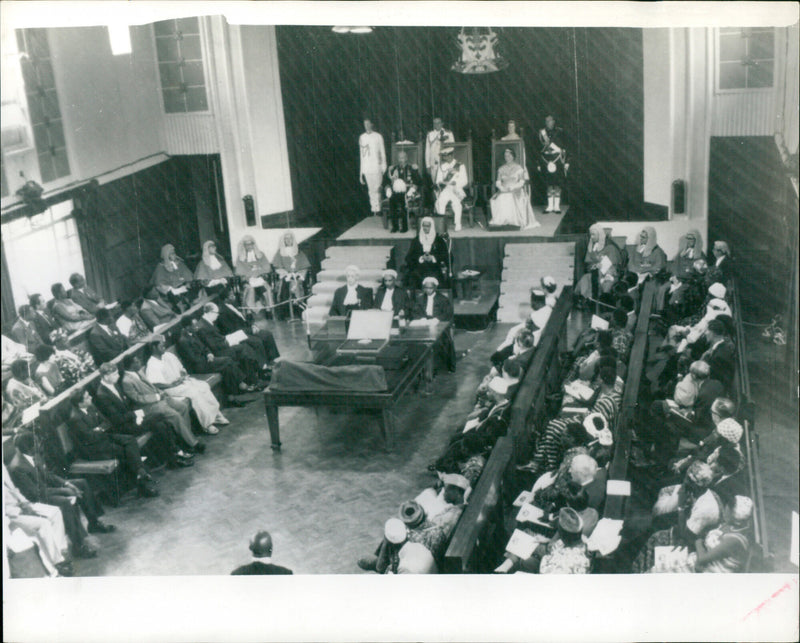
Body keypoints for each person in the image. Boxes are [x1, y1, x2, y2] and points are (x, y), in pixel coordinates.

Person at [8, 432, 108, 558]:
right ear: (30, 447)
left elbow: (48, 475)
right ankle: (79, 546)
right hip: (37, 499)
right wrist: (63, 491)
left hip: (47, 490)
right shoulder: (18, 467)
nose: (39, 445)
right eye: (37, 443)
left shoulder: (34, 456)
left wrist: (66, 484)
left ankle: (94, 522)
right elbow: (35, 494)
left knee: (81, 483)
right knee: (64, 502)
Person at [93, 362, 195, 468]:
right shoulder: (102, 395)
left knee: (161, 423)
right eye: (114, 374)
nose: (118, 376)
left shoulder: (114, 384)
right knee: (160, 420)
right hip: (124, 427)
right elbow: (117, 419)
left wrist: (137, 414)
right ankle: (176, 455)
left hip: (133, 419)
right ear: (105, 376)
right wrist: (136, 414)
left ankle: (174, 456)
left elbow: (127, 404)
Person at [66, 389, 159, 498]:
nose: (90, 397)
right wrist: (101, 429)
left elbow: (107, 422)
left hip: (104, 438)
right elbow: (90, 437)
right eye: (87, 397)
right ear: (80, 403)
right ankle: (143, 482)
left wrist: (98, 429)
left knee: (130, 440)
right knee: (125, 451)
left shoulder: (91, 407)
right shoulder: (75, 418)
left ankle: (141, 475)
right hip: (94, 448)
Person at [119, 353, 204, 455]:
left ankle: (185, 439)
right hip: (148, 407)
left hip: (160, 398)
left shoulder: (138, 372)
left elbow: (151, 386)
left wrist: (160, 392)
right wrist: (156, 397)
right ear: (131, 365)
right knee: (174, 415)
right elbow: (137, 399)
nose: (140, 362)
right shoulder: (126, 381)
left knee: (183, 407)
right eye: (137, 361)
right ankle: (193, 443)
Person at [144, 335, 228, 436]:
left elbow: (181, 368)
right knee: (195, 393)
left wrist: (183, 374)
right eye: (161, 345)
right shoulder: (152, 364)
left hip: (182, 382)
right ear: (154, 347)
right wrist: (171, 384)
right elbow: (155, 383)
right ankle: (207, 424)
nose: (164, 346)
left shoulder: (168, 355)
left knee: (203, 386)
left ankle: (215, 416)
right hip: (171, 389)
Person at [4, 464, 72, 576]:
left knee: (55, 512)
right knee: (43, 524)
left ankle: (60, 550)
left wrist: (25, 503)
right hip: (11, 515)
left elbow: (12, 488)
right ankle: (58, 561)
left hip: (19, 505)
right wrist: (19, 511)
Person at [175, 317, 256, 396]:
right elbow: (194, 359)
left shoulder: (193, 333)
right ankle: (243, 384)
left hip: (206, 360)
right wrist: (207, 358)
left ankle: (234, 394)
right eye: (194, 325)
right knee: (228, 360)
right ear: (187, 327)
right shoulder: (183, 341)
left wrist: (209, 354)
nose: (197, 327)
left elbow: (204, 347)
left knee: (227, 368)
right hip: (199, 366)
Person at [195, 304, 267, 386]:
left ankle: (254, 377)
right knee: (244, 349)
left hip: (222, 348)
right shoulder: (203, 327)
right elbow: (213, 346)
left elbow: (217, 338)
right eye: (216, 313)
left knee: (244, 348)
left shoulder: (207, 322)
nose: (217, 315)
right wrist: (228, 342)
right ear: (210, 312)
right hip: (218, 353)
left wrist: (227, 339)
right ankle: (257, 375)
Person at [214, 292, 280, 365]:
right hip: (238, 334)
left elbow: (243, 319)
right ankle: (263, 365)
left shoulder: (232, 305)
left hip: (245, 329)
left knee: (267, 334)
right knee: (257, 342)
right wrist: (250, 330)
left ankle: (271, 360)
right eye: (231, 296)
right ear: (226, 299)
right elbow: (232, 330)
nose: (234, 297)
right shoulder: (223, 312)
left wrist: (252, 325)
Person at [692, 495, 753, 573]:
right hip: (701, 562)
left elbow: (702, 559)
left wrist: (698, 541)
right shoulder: (729, 526)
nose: (724, 511)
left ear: (733, 513)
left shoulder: (734, 540)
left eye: (727, 509)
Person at [412, 277, 455, 373]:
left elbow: (448, 313)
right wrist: (422, 318)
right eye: (426, 288)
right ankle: (419, 366)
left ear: (435, 288)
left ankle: (436, 366)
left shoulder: (443, 299)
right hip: (424, 324)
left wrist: (437, 319)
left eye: (430, 288)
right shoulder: (420, 299)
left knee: (440, 341)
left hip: (438, 323)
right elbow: (415, 311)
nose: (428, 290)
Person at [489, 148, 539, 229]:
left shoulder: (518, 168)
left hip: (516, 189)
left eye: (509, 155)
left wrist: (513, 187)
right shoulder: (501, 168)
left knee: (511, 198)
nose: (507, 157)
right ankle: (503, 220)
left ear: (513, 156)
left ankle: (514, 221)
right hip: (504, 190)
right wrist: (501, 188)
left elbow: (522, 182)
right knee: (500, 198)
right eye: (505, 156)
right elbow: (498, 182)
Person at [575, 224, 623, 303]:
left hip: (608, 275)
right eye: (591, 235)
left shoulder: (610, 247)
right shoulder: (591, 248)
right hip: (594, 273)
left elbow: (614, 266)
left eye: (593, 234)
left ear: (599, 235)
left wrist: (602, 268)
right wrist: (594, 266)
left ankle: (599, 303)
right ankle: (585, 300)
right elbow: (588, 265)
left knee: (605, 284)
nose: (591, 237)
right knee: (585, 278)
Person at [272, 231, 311, 321]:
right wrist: (286, 273)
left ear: (293, 240)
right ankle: (287, 313)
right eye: (286, 238)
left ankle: (299, 310)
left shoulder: (299, 252)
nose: (288, 240)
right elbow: (277, 267)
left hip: (298, 276)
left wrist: (298, 274)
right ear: (284, 240)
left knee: (297, 283)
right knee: (285, 288)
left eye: (290, 238)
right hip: (286, 277)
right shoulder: (279, 253)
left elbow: (304, 267)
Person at [404, 217, 451, 290]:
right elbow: (409, 257)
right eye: (424, 226)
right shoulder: (416, 240)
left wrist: (433, 258)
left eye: (427, 226)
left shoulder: (439, 240)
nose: (425, 228)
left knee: (436, 277)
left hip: (435, 267)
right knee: (414, 277)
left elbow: (446, 255)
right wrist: (420, 258)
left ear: (431, 227)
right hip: (419, 267)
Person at [383, 150, 422, 233]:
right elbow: (385, 181)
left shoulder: (412, 168)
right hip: (396, 192)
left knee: (404, 205)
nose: (401, 160)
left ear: (406, 158)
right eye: (399, 158)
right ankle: (395, 227)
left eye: (403, 157)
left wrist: (413, 189)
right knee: (392, 202)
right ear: (397, 159)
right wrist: (388, 189)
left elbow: (419, 181)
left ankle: (405, 227)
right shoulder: (393, 168)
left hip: (408, 192)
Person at [234, 235, 274, 314]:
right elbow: (240, 271)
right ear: (244, 246)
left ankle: (268, 310)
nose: (249, 246)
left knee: (266, 289)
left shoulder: (260, 254)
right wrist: (252, 274)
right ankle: (249, 313)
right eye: (247, 244)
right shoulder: (240, 257)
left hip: (260, 279)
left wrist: (257, 272)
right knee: (250, 289)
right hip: (247, 280)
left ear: (253, 244)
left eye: (250, 244)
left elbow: (267, 268)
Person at [537, 115, 568, 214]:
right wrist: (538, 162)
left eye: (550, 121)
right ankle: (550, 206)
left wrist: (566, 160)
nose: (548, 122)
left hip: (557, 159)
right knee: (549, 183)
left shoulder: (560, 131)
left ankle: (556, 206)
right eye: (546, 121)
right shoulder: (542, 132)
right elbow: (538, 149)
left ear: (554, 121)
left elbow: (563, 146)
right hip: (546, 159)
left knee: (557, 183)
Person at [434, 147, 468, 231]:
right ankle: (442, 223)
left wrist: (456, 184)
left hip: (456, 189)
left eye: (449, 156)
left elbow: (465, 180)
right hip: (445, 189)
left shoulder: (460, 165)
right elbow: (438, 181)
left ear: (452, 155)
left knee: (456, 204)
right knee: (440, 202)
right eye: (445, 156)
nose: (447, 158)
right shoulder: (442, 167)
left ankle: (458, 224)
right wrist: (442, 182)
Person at [152, 244, 195, 310]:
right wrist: (172, 288)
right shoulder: (160, 267)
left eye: (174, 253)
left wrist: (186, 281)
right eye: (172, 254)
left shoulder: (179, 263)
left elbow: (187, 274)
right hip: (173, 290)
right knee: (172, 295)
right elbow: (160, 283)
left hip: (184, 286)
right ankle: (182, 306)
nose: (174, 254)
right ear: (166, 256)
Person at [359, 118, 387, 216]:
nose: (366, 126)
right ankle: (373, 209)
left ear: (372, 124)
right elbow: (362, 156)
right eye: (364, 124)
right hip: (367, 168)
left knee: (377, 188)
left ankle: (379, 208)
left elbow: (382, 152)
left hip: (376, 167)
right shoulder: (362, 137)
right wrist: (361, 173)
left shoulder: (378, 136)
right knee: (371, 190)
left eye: (368, 124)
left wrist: (384, 166)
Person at [424, 116, 454, 182]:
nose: (437, 125)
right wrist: (428, 165)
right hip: (434, 163)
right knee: (435, 183)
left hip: (446, 161)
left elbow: (452, 148)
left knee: (446, 181)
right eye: (435, 123)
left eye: (438, 123)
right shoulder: (430, 134)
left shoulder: (448, 133)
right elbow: (427, 151)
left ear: (442, 123)